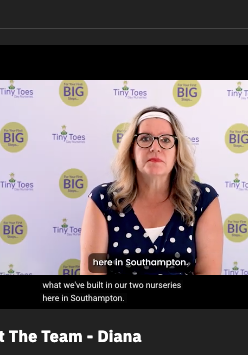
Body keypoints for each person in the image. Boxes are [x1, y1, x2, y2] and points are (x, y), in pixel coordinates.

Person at [80, 106, 222, 275]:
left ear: (177, 150)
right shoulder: (103, 200)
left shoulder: (203, 200)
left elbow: (208, 272)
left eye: (166, 140)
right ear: (132, 149)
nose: (155, 147)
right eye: (145, 138)